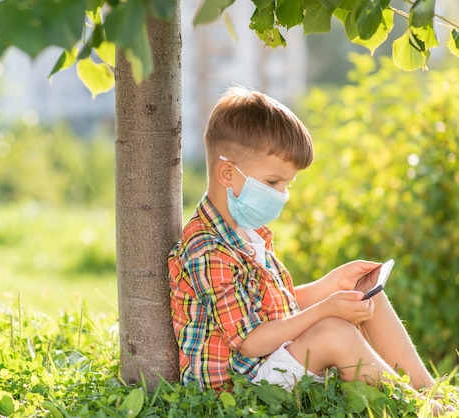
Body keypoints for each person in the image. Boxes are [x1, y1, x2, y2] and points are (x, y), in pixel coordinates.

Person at [168, 86, 449, 414]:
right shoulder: (207, 250)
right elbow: (251, 341)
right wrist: (325, 310)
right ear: (227, 173)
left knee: (365, 292)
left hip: (267, 363)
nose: (283, 194)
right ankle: (415, 408)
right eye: (273, 182)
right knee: (334, 332)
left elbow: (271, 309)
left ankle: (432, 395)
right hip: (238, 389)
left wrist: (330, 286)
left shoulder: (243, 229)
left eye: (287, 183)